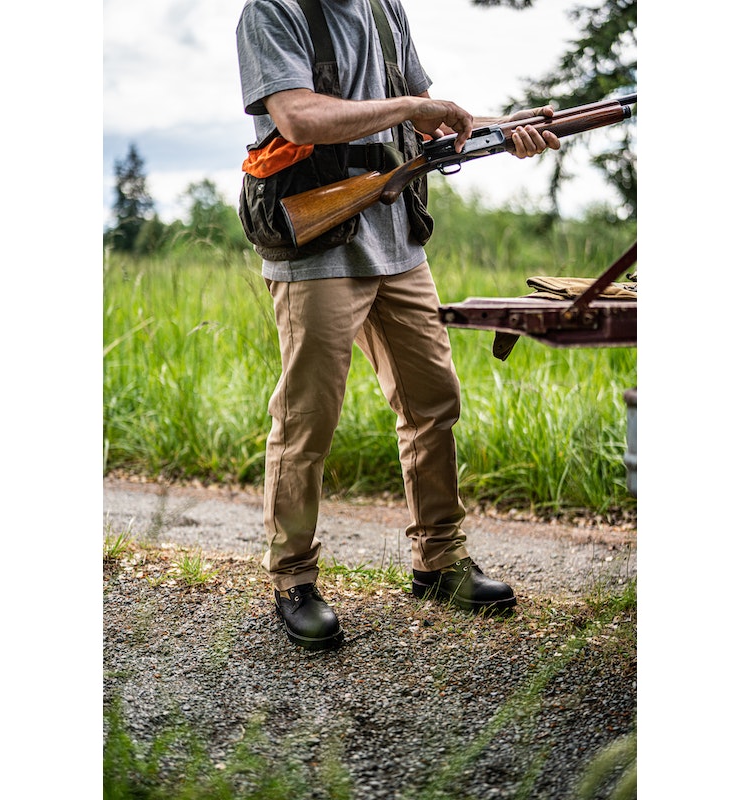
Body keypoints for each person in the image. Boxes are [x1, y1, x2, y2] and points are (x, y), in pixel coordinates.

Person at [236, 0, 561, 651]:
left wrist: (505, 127)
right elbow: (298, 115)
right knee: (308, 420)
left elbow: (436, 125)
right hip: (318, 246)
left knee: (433, 401)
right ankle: (292, 579)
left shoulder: (386, 9)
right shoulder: (271, 10)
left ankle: (439, 562)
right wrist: (412, 107)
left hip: (399, 242)